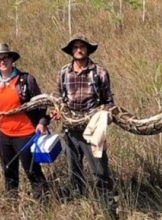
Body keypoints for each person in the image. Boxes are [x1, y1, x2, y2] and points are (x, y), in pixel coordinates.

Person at [0, 43, 49, 201]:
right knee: (9, 171)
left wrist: (41, 123)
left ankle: (44, 204)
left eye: (5, 57)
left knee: (32, 170)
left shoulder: (26, 80)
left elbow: (42, 104)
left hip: (26, 134)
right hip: (3, 136)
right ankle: (12, 205)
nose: (2, 61)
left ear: (12, 59)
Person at [55, 33, 116, 213]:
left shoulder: (100, 72)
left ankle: (108, 209)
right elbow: (59, 98)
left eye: (82, 46)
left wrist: (105, 115)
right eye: (75, 47)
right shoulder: (64, 72)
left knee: (100, 171)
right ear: (71, 51)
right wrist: (57, 111)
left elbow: (109, 101)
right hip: (70, 129)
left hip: (93, 130)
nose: (79, 50)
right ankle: (80, 207)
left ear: (88, 49)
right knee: (74, 171)